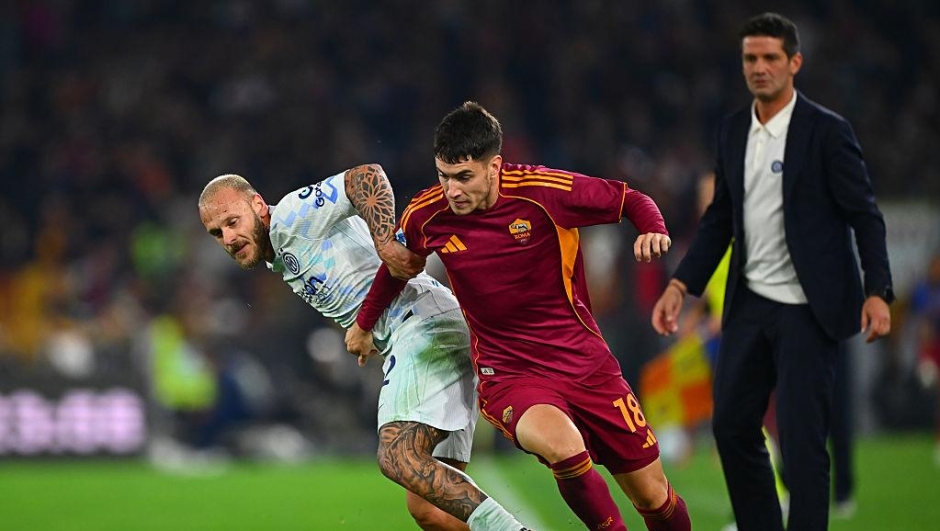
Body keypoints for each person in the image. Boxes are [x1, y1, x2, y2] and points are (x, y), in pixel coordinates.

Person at [347, 102, 691, 531]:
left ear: (494, 166)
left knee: (654, 497)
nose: (451, 190)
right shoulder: (427, 214)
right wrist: (364, 324)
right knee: (562, 446)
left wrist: (653, 228)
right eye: (443, 175)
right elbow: (396, 266)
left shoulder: (543, 191)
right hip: (510, 374)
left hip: (585, 363)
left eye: (464, 177)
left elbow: (630, 199)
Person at [650, 12, 892, 531]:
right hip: (751, 304)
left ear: (794, 63)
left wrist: (877, 290)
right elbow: (720, 219)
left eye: (770, 58)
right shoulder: (733, 130)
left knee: (804, 446)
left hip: (810, 308)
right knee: (733, 428)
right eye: (750, 58)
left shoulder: (828, 133)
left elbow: (864, 215)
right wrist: (681, 284)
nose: (759, 67)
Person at [197, 165, 531, 531]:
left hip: (422, 326)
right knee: (431, 511)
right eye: (217, 233)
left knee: (397, 455)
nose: (228, 237)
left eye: (232, 221)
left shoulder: (290, 216)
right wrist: (366, 325)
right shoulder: (280, 249)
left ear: (258, 205)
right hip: (427, 327)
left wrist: (386, 241)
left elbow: (366, 177)